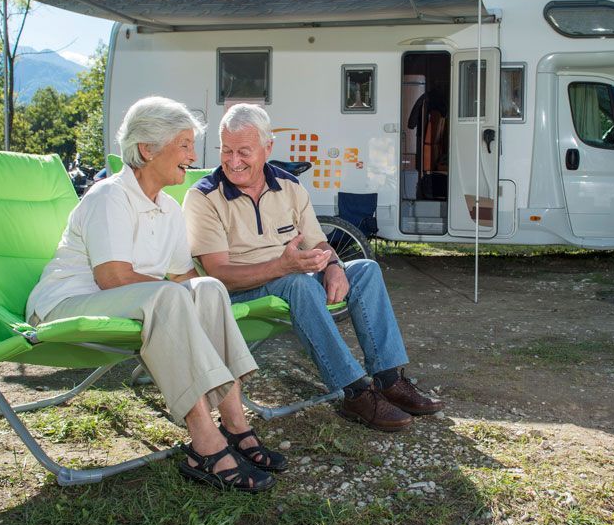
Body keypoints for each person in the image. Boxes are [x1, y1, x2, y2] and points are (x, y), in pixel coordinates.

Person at [25, 97, 284, 493]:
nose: (192, 156)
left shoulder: (168, 208)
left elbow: (183, 276)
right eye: (183, 144)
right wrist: (176, 295)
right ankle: (205, 446)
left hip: (123, 305)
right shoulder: (109, 196)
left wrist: (209, 285)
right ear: (147, 149)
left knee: (209, 288)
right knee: (171, 296)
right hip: (66, 306)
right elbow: (113, 277)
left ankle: (235, 424)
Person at [183, 103, 444, 432]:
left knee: (364, 270)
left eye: (244, 152)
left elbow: (317, 243)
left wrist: (333, 264)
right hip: (239, 293)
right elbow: (218, 274)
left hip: (289, 275)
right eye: (227, 151)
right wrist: (282, 265)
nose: (234, 162)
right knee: (299, 283)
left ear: (268, 148)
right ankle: (354, 392)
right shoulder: (204, 197)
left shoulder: (289, 185)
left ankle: (389, 379)